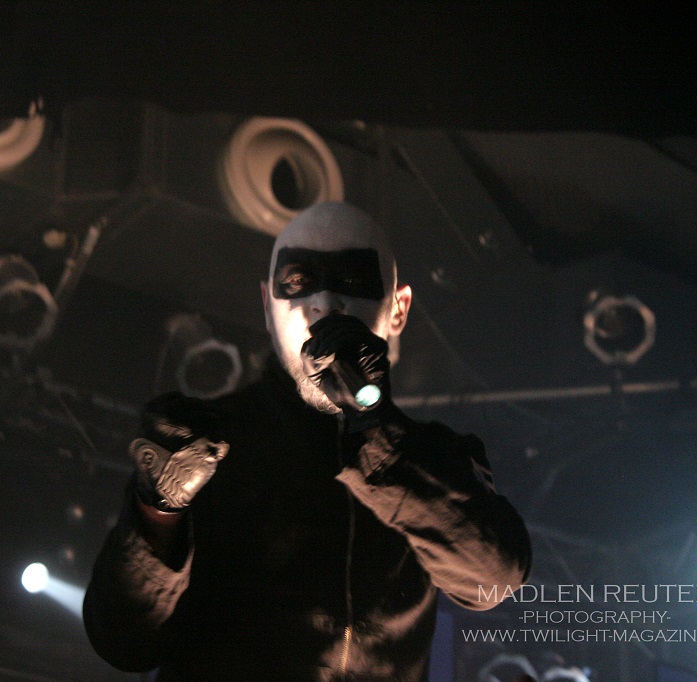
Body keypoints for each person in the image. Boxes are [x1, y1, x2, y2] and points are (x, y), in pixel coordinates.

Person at [83, 201, 532, 681]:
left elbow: (492, 580)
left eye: (353, 279)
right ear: (266, 304)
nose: (325, 302)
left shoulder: (436, 457)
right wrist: (159, 511)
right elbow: (122, 641)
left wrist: (378, 430)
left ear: (399, 309)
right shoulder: (208, 441)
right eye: (298, 280)